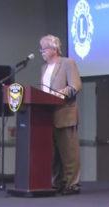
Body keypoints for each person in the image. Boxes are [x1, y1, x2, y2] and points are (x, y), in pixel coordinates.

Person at [39, 34, 82, 195]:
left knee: (69, 153)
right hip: (47, 116)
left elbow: (75, 86)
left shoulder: (67, 63)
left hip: (65, 114)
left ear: (53, 48)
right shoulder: (43, 68)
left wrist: (57, 94)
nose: (41, 52)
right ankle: (56, 183)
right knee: (53, 154)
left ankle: (72, 184)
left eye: (43, 48)